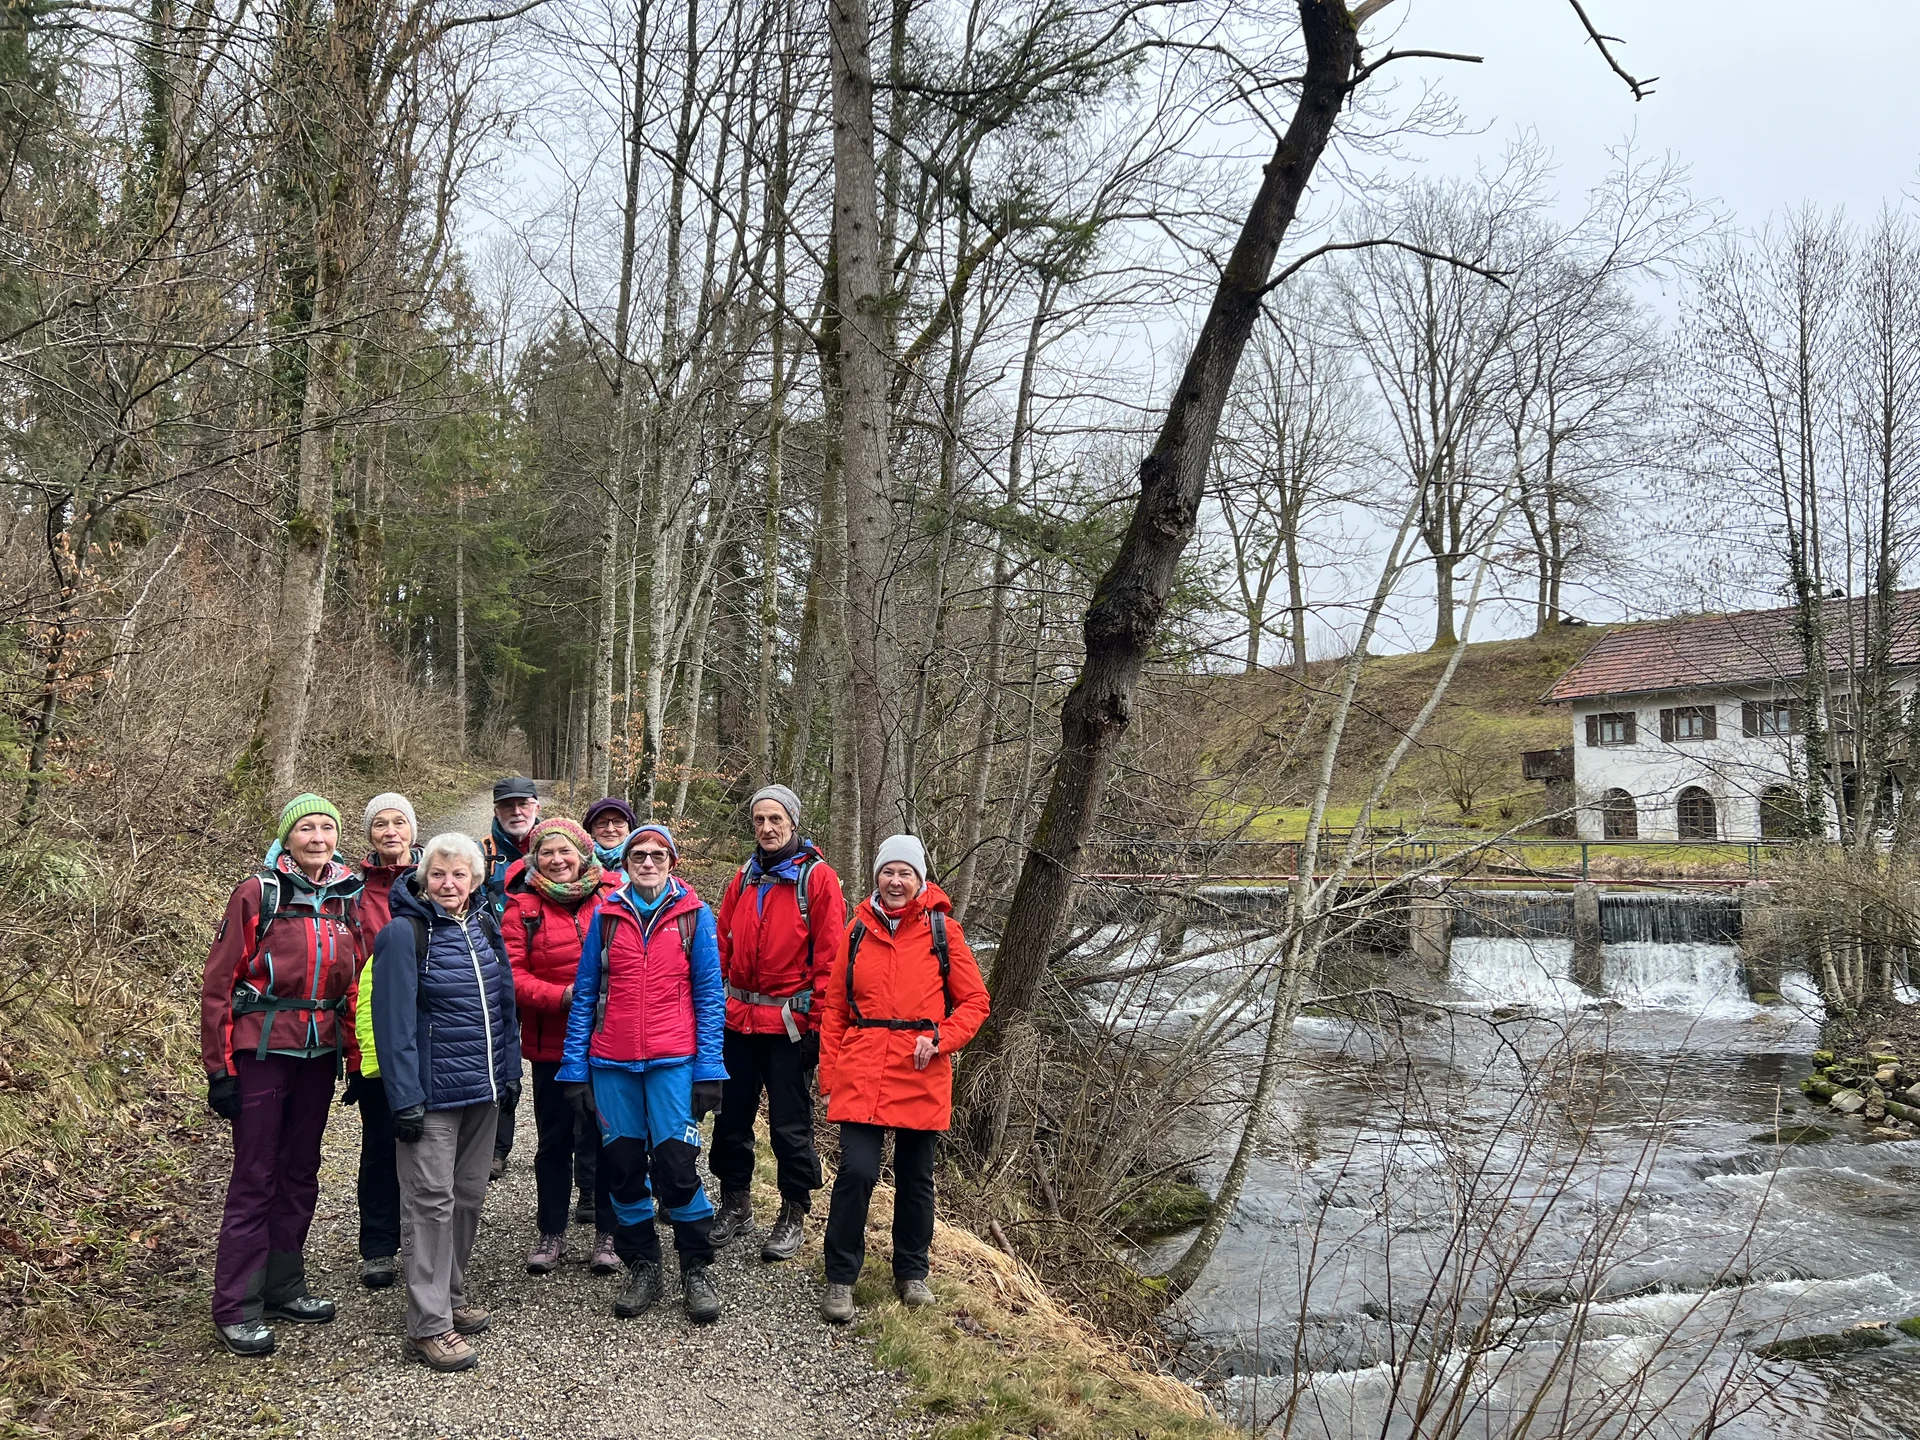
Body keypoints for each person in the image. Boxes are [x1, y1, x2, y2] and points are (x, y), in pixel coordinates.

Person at [200, 793, 365, 1357]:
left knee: (300, 1169)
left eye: (327, 828)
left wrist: (353, 1056)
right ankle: (235, 1307)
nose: (318, 838)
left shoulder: (346, 897)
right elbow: (220, 983)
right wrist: (219, 1070)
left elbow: (351, 986)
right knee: (256, 1174)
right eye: (306, 829)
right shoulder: (258, 893)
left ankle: (283, 1287)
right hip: (262, 1051)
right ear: (287, 837)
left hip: (317, 1054)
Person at [817, 835, 990, 1325]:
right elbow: (834, 1010)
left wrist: (942, 1037)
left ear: (920, 880)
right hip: (863, 1065)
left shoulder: (944, 933)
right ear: (877, 877)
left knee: (916, 1179)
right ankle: (840, 1278)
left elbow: (975, 1002)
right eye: (888, 872)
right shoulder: (855, 931)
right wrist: (828, 1075)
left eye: (905, 874)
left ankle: (912, 1271)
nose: (895, 882)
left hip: (921, 1068)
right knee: (857, 1173)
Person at [559, 823, 726, 1324]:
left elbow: (710, 997)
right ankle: (643, 1265)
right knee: (625, 1170)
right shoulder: (606, 916)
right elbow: (586, 994)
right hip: (611, 1064)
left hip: (674, 1063)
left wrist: (710, 1069)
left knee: (677, 1167)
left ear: (672, 861)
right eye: (639, 854)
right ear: (625, 862)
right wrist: (573, 1069)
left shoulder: (695, 916)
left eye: (657, 855)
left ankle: (695, 1266)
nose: (648, 862)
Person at [371, 832, 520, 1372]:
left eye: (459, 874)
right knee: (429, 1202)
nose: (448, 883)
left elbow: (503, 1007)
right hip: (431, 1097)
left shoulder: (484, 926)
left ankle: (451, 1297)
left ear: (476, 880)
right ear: (423, 878)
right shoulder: (403, 934)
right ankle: (429, 1324)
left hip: (483, 1092)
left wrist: (509, 1075)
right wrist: (404, 1098)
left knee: (467, 1196)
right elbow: (393, 1025)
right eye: (438, 874)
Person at [709, 783, 845, 1261]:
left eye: (776, 820)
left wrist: (817, 1025)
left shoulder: (818, 879)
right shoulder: (744, 876)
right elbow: (720, 945)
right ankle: (735, 1202)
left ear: (793, 822)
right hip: (738, 1021)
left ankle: (793, 1211)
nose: (767, 829)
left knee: (790, 1126)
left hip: (790, 1026)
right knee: (730, 1119)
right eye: (760, 820)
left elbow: (831, 959)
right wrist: (713, 1010)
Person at [502, 817, 619, 1276]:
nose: (557, 860)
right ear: (534, 860)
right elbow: (511, 975)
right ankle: (551, 1231)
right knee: (553, 1141)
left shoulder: (612, 898)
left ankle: (609, 1232)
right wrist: (564, 997)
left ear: (584, 854)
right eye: (547, 852)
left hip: (607, 1041)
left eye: (565, 851)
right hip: (551, 1043)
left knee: (609, 1136)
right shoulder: (522, 908)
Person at [342, 792, 418, 1290]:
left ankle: (436, 1246)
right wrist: (356, 1050)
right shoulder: (352, 894)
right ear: (368, 834)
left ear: (413, 830)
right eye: (380, 825)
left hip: (431, 1034)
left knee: (434, 1142)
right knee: (379, 1143)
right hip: (373, 1036)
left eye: (399, 823)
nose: (390, 831)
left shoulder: (431, 879)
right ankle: (378, 1245)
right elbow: (346, 973)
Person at [484, 776, 540, 1177]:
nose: (516, 812)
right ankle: (495, 1147)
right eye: (507, 806)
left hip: (545, 973)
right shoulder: (481, 854)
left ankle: (568, 1150)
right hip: (491, 973)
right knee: (499, 1059)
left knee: (560, 1064)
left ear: (537, 806)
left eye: (523, 804)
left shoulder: (555, 847)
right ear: (496, 812)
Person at [583, 796, 637, 873]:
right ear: (592, 832)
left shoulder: (641, 861)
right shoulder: (580, 864)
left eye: (618, 822)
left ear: (628, 830)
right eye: (602, 823)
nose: (610, 829)